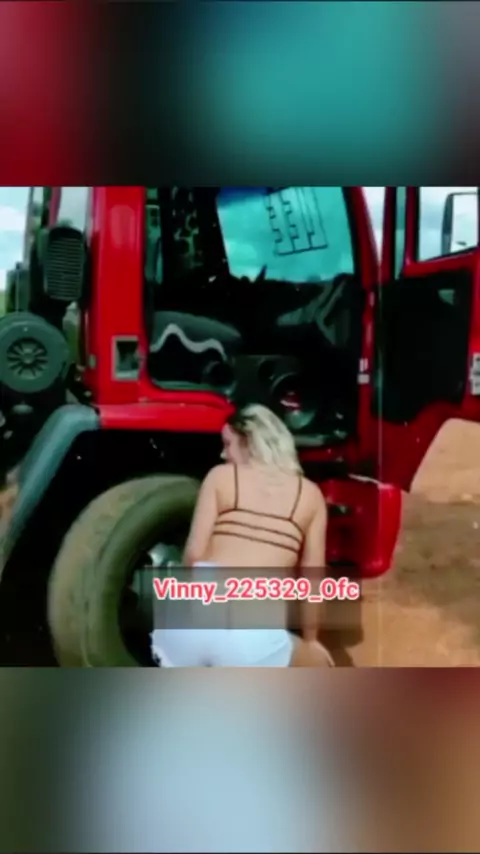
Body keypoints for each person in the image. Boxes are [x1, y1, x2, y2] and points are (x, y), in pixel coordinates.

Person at [151, 403, 332, 667]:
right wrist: (312, 640)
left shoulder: (219, 477)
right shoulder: (310, 495)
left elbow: (194, 555)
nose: (222, 454)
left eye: (227, 444)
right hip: (249, 632)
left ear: (249, 442)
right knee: (317, 666)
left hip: (185, 625)